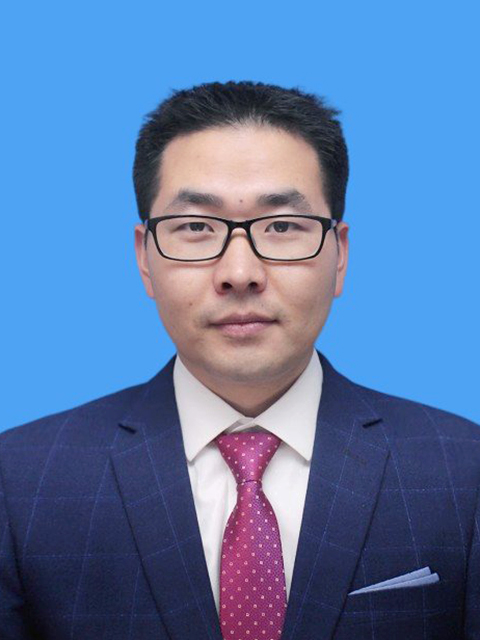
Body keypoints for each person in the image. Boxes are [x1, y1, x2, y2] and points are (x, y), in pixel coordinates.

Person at [0, 81, 478, 640]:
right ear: (145, 258)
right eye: (196, 228)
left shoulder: (462, 471)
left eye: (282, 227)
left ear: (340, 255)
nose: (240, 273)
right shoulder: (20, 481)